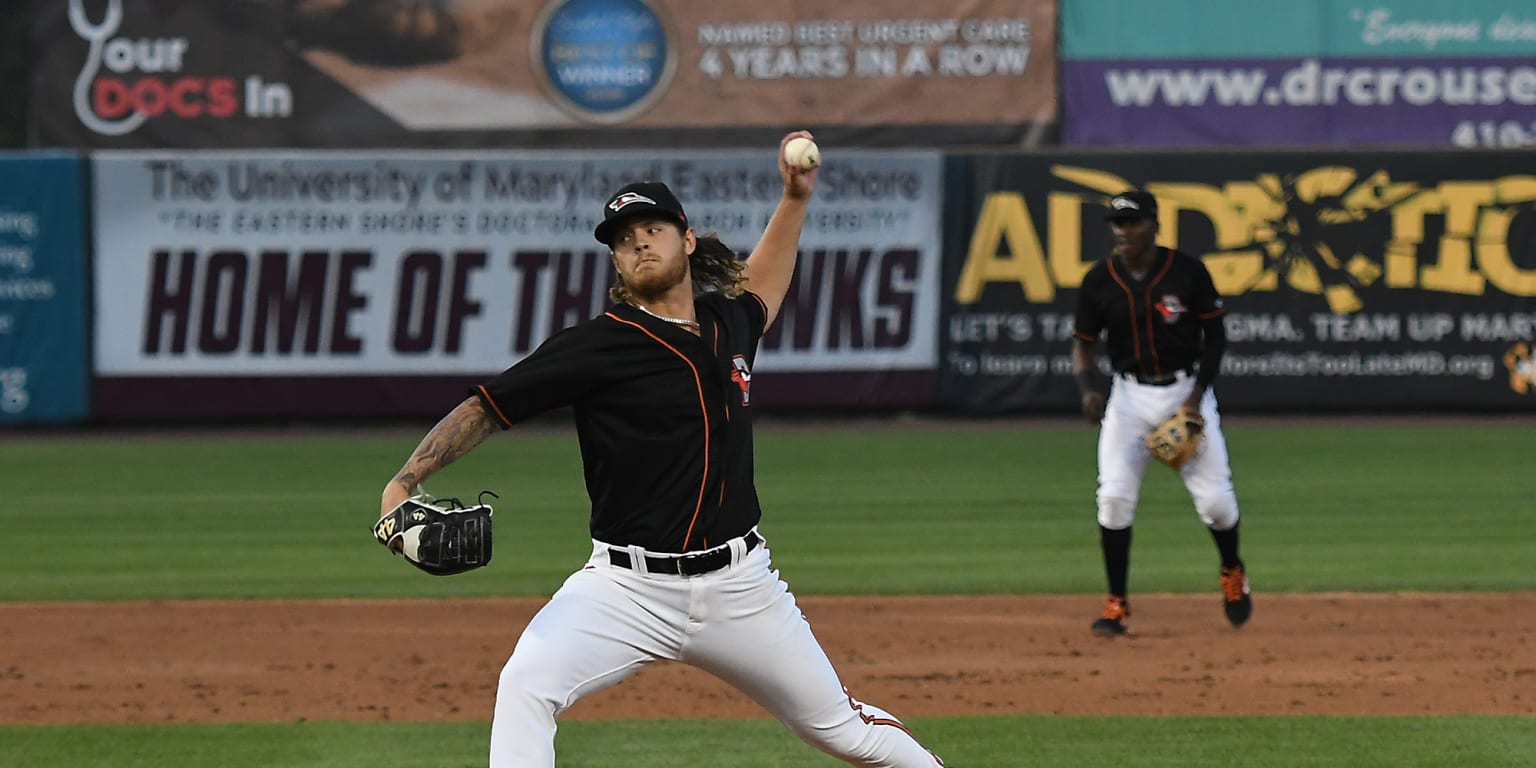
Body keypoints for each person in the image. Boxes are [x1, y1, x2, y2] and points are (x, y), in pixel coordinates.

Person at [378, 132, 945, 768]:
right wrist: (402, 484)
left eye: (650, 227)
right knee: (526, 685)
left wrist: (794, 197)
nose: (637, 242)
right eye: (623, 239)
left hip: (741, 587)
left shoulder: (729, 324)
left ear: (686, 238)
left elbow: (768, 279)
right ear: (617, 264)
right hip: (624, 588)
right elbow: (487, 407)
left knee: (844, 733)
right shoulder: (597, 346)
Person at [1070, 188, 1252, 637]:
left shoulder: (1187, 272)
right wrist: (1088, 390)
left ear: (1154, 224)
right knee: (1112, 499)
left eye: (1133, 222)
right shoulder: (1099, 280)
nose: (1124, 231)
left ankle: (1232, 570)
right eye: (1118, 223)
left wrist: (1194, 401)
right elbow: (1084, 343)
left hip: (1185, 390)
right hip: (1129, 398)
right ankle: (1117, 605)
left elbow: (1216, 339)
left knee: (1217, 506)